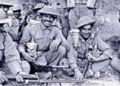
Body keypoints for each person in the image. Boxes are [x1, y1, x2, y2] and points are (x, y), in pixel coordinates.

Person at [18, 6, 82, 80]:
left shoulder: (55, 30)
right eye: (46, 16)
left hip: (47, 58)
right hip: (33, 59)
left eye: (51, 17)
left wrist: (59, 40)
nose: (48, 19)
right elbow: (21, 45)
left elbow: (68, 48)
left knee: (62, 49)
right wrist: (23, 53)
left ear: (54, 19)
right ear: (41, 17)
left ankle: (48, 72)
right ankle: (40, 74)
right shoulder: (31, 28)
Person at [0, 9, 30, 86]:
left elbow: (12, 56)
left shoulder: (4, 35)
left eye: (2, 25)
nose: (2, 28)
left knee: (24, 66)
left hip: (2, 70)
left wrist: (18, 72)